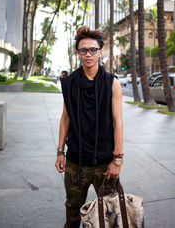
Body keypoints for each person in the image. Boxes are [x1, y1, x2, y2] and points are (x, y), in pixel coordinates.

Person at [55, 25, 123, 228]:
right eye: (83, 50)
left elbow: (117, 121)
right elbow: (65, 119)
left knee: (111, 215)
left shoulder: (112, 83)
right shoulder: (69, 83)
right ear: (78, 53)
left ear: (100, 52)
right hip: (76, 163)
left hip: (105, 163)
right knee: (73, 212)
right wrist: (60, 152)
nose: (88, 54)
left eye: (93, 49)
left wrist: (117, 159)